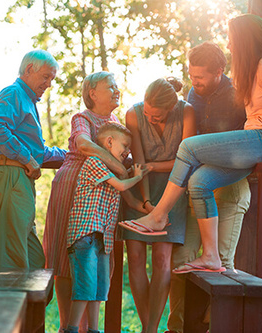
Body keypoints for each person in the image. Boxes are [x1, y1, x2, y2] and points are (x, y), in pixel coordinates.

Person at [119, 13, 262, 276]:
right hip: (253, 143)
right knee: (199, 182)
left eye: (232, 40)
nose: (229, 46)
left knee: (189, 147)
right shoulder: (253, 71)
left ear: (245, 40)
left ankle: (158, 215)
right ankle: (211, 256)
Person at [166, 41, 252, 333]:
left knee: (223, 266)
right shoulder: (193, 94)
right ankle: (175, 329)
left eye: (200, 77)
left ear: (219, 71)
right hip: (197, 190)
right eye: (192, 76)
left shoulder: (240, 94)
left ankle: (215, 327)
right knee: (181, 260)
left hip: (229, 188)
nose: (195, 82)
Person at [43, 71, 130, 332]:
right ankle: (67, 325)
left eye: (116, 86)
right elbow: (84, 144)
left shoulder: (115, 121)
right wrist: (118, 166)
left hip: (103, 196)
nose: (117, 90)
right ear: (92, 93)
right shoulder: (83, 118)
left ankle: (87, 327)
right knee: (65, 255)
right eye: (110, 86)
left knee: (98, 257)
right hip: (73, 188)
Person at [119, 77, 196, 333]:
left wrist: (155, 171)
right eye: (147, 114)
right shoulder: (133, 114)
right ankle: (148, 328)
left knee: (163, 260)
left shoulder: (186, 112)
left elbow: (187, 159)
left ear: (171, 108)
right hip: (142, 187)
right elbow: (139, 161)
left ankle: (151, 327)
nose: (150, 119)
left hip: (174, 188)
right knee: (136, 257)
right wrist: (147, 202)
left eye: (157, 116)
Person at [0, 49, 67, 273]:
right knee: (11, 262)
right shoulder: (13, 94)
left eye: (52, 79)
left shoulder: (28, 102)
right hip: (9, 176)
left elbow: (40, 153)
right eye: (46, 76)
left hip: (20, 181)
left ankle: (24, 307)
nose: (49, 84)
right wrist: (26, 158)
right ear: (29, 69)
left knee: (34, 261)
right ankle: (2, 307)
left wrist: (74, 154)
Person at [64, 122, 151, 333]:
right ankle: (71, 329)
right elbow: (121, 186)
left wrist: (153, 211)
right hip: (85, 235)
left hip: (104, 238)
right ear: (109, 142)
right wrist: (138, 176)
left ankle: (94, 329)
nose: (128, 151)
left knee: (100, 289)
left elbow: (129, 199)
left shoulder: (112, 170)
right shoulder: (94, 162)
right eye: (125, 145)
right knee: (85, 287)